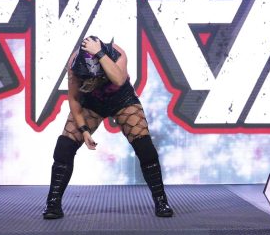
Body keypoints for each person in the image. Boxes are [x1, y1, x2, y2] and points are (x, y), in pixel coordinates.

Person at [42, 36, 173, 219]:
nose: (92, 80)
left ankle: (161, 201)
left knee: (145, 148)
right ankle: (53, 204)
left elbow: (118, 80)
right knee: (64, 147)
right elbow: (74, 99)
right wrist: (84, 130)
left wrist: (99, 53)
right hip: (91, 103)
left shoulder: (117, 53)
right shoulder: (74, 64)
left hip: (122, 99)